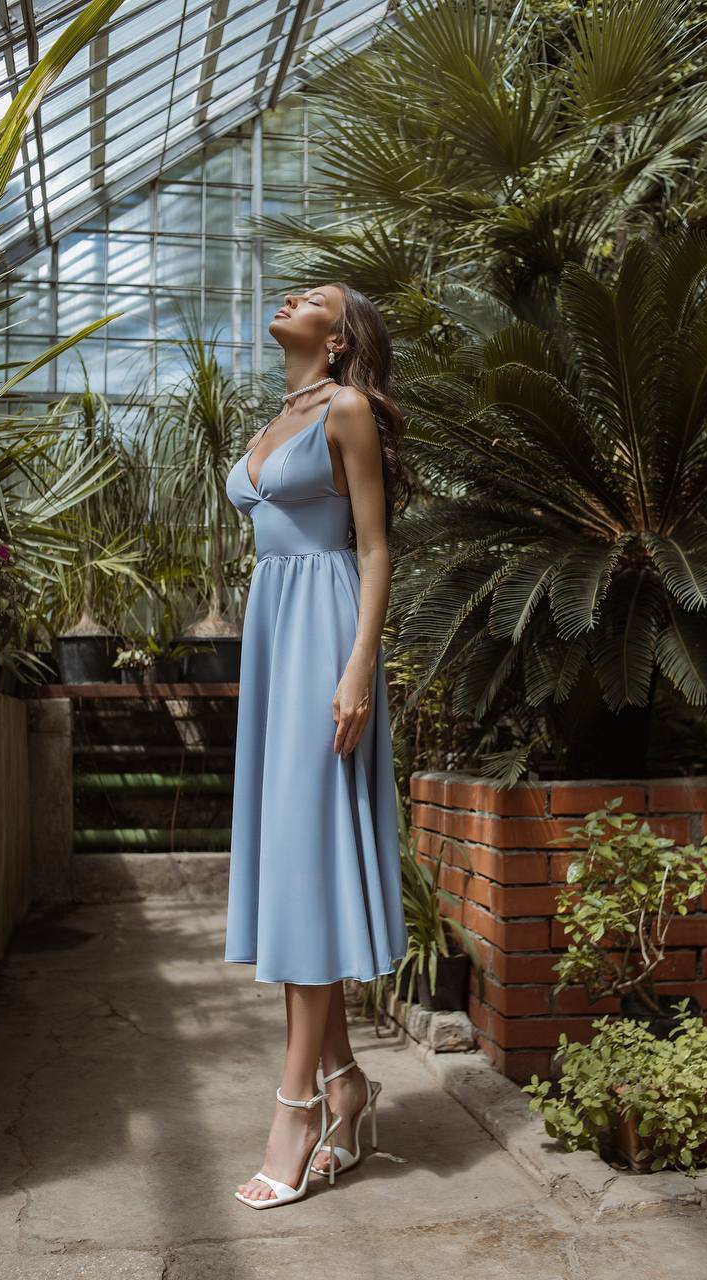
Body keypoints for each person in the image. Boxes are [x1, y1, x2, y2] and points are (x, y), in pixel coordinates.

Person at [224, 282, 410, 1208]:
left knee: (304, 865)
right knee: (293, 867)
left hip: (325, 639)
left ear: (338, 339)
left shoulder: (346, 409)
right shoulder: (280, 417)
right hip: (274, 635)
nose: (292, 294)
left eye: (317, 297)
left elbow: (373, 549)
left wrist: (357, 671)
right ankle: (344, 1085)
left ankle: (296, 1108)